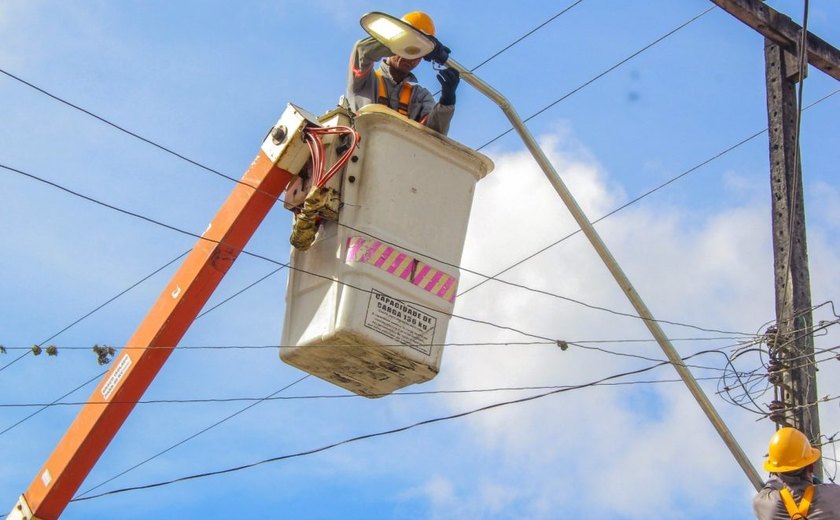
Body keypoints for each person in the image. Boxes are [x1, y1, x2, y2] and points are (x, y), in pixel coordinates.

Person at [346, 11, 460, 136]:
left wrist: (447, 101)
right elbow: (362, 51)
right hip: (361, 149)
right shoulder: (364, 80)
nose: (410, 57)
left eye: (417, 52)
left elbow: (433, 134)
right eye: (407, 49)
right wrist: (400, 42)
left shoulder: (419, 96)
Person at [753, 427, 840, 519]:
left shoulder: (762, 503)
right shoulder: (834, 494)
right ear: (811, 467)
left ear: (776, 471)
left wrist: (780, 466)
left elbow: (772, 483)